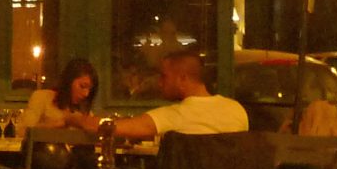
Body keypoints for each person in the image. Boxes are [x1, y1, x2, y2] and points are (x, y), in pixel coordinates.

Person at [70, 49, 246, 140]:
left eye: (164, 76)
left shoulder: (175, 116)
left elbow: (104, 127)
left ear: (182, 78)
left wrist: (73, 119)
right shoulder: (237, 111)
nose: (160, 82)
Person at [23, 58, 98, 128]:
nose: (86, 94)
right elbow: (24, 130)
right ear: (69, 81)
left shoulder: (84, 111)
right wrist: (63, 122)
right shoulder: (42, 98)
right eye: (82, 86)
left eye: (90, 90)